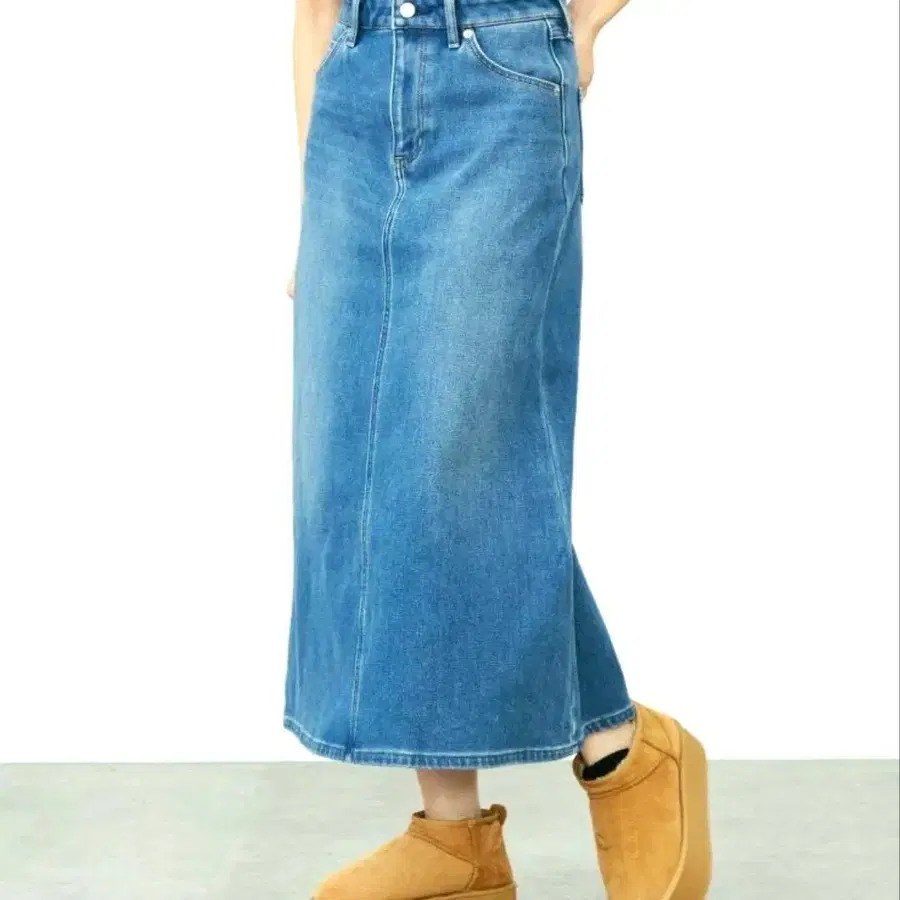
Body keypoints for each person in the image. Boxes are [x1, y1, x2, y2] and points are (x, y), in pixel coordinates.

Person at [284, 0, 713, 896]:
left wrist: (582, 24)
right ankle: (457, 841)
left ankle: (620, 745)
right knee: (356, 463)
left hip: (498, 74)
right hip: (350, 77)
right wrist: (313, 200)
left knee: (454, 458)